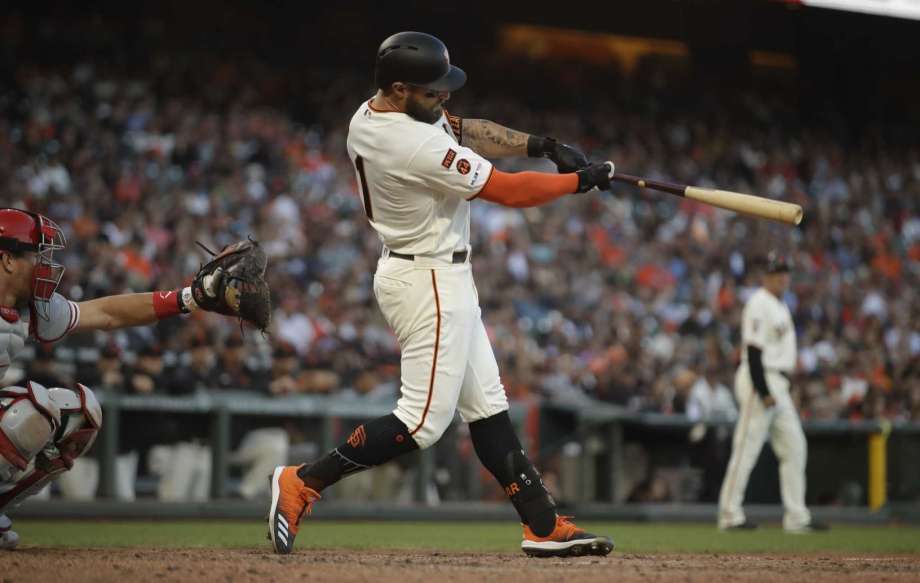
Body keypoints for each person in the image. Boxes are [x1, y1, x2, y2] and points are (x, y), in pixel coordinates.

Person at [267, 31, 616, 558]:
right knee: (422, 422)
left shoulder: (373, 113)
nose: (444, 98)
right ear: (400, 89)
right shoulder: (411, 143)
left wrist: (543, 146)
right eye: (433, 91)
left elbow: (465, 129)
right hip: (426, 277)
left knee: (488, 408)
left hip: (437, 273)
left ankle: (542, 526)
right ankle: (302, 480)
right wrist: (579, 182)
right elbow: (508, 191)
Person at [0, 208, 233, 549]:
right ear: (7, 260)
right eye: (36, 255)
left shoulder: (30, 307)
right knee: (33, 412)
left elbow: (106, 313)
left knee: (79, 414)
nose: (44, 265)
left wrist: (188, 298)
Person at [717, 252, 829, 533]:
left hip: (779, 382)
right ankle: (730, 515)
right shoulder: (759, 302)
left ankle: (796, 517)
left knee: (795, 447)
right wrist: (764, 389)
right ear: (765, 276)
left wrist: (784, 388)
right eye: (776, 272)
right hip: (761, 379)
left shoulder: (780, 305)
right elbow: (754, 351)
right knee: (746, 449)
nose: (782, 277)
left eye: (784, 272)